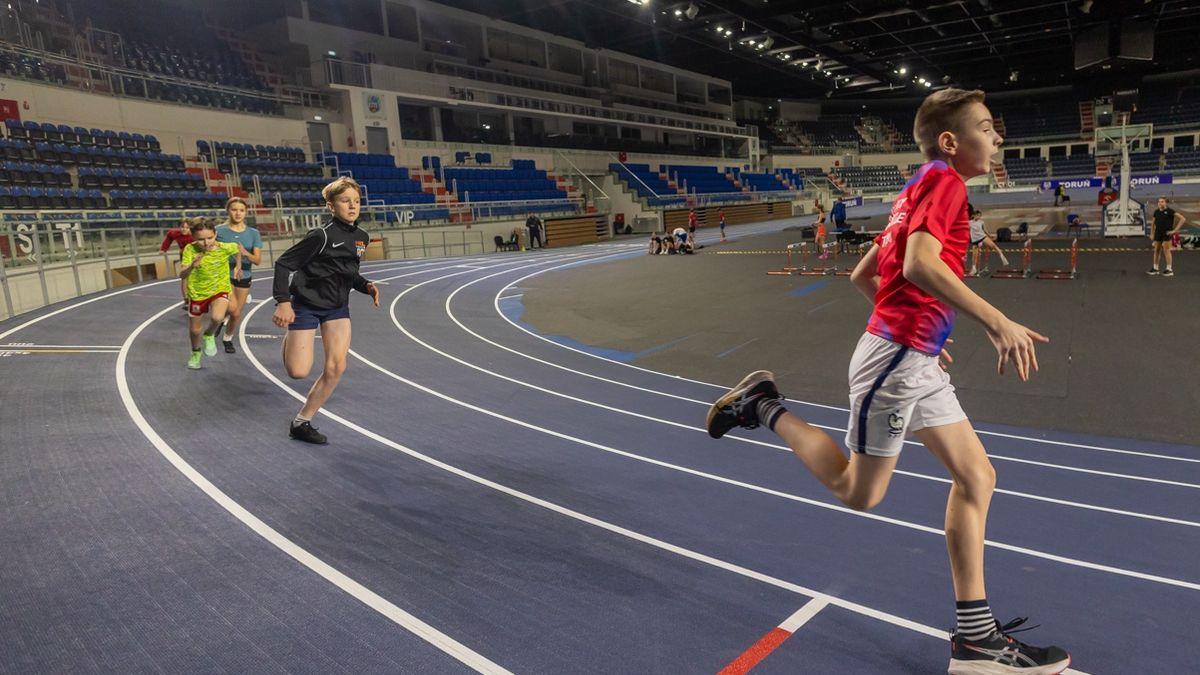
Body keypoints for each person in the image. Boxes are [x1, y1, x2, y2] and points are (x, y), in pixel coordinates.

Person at [706, 88, 1070, 675]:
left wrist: (920, 332)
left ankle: (976, 642)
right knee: (860, 492)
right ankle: (763, 406)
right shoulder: (945, 183)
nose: (998, 137)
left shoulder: (916, 185)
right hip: (896, 361)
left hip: (911, 356)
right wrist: (995, 322)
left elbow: (862, 274)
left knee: (977, 476)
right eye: (986, 127)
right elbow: (917, 266)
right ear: (951, 141)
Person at [271, 177, 380, 445]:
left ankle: (301, 422)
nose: (352, 206)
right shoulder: (320, 237)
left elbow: (349, 272)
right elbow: (283, 264)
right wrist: (283, 302)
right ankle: (291, 339)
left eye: (356, 201)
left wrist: (366, 285)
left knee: (337, 366)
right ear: (331, 206)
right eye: (345, 201)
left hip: (337, 308)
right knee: (298, 372)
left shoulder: (361, 238)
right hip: (306, 305)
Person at [179, 218, 242, 370]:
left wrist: (238, 267)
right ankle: (195, 352)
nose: (206, 243)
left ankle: (209, 334)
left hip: (219, 289)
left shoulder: (224, 247)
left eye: (210, 238)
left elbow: (238, 249)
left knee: (218, 317)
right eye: (201, 239)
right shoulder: (189, 249)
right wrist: (192, 266)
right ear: (193, 238)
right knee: (195, 330)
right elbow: (182, 275)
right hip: (198, 293)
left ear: (215, 234)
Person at [215, 197, 262, 353]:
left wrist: (244, 253)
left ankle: (227, 337)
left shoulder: (253, 233)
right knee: (231, 307)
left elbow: (257, 261)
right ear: (228, 211)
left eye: (241, 210)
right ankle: (221, 320)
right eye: (234, 209)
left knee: (235, 313)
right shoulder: (219, 231)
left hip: (244, 275)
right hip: (223, 275)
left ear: (245, 213)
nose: (237, 213)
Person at [160, 217, 194, 310]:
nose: (184, 229)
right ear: (179, 227)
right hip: (184, 256)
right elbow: (168, 238)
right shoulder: (174, 233)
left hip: (196, 256)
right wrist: (164, 249)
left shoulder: (194, 234)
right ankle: (186, 300)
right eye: (182, 227)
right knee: (184, 277)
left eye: (187, 228)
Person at [1147, 196, 1186, 276]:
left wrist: (1174, 231)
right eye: (1159, 201)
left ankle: (1169, 269)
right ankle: (1155, 268)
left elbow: (1183, 219)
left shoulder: (1170, 211)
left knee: (1166, 250)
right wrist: (1152, 233)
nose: (1159, 203)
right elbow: (1153, 223)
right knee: (1156, 250)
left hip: (1167, 233)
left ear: (1166, 203)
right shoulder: (1156, 212)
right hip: (1158, 233)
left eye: (1162, 201)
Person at [967, 209, 1009, 276]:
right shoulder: (969, 222)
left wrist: (990, 236)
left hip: (982, 237)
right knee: (974, 256)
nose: (979, 217)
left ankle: (1003, 257)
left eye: (980, 216)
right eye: (977, 215)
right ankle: (974, 268)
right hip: (975, 240)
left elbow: (985, 230)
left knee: (994, 246)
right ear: (974, 216)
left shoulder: (981, 222)